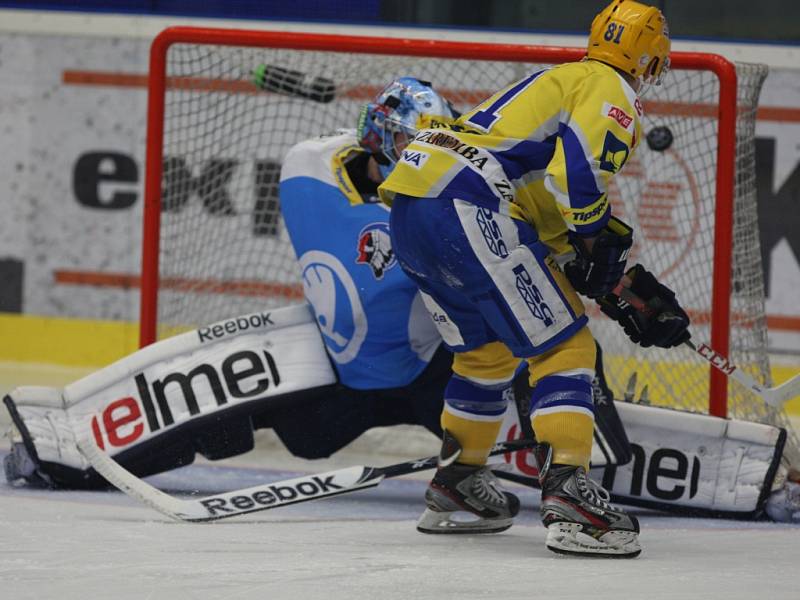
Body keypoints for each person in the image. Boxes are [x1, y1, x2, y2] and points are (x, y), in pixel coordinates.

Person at [379, 0, 687, 557]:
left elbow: (538, 201)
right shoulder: (612, 89)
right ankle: (570, 491)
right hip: (467, 204)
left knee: (485, 356)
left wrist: (615, 279)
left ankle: (458, 486)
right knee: (566, 346)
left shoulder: (559, 78)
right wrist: (596, 248)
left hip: (415, 203)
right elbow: (576, 179)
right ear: (651, 58)